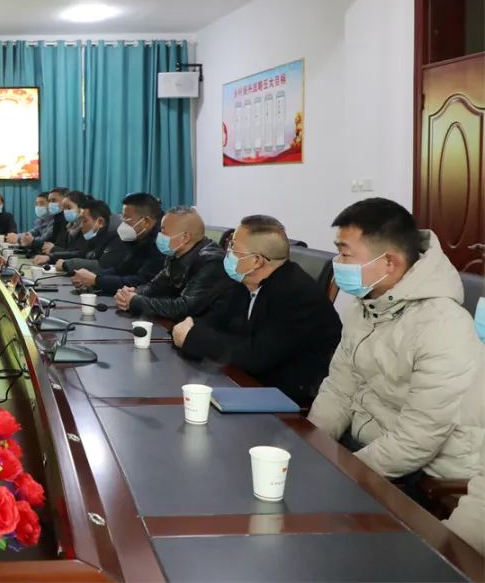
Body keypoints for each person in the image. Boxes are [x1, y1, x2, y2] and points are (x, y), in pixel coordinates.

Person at [308, 198, 483, 480]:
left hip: (425, 471)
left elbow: (418, 439)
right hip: (366, 446)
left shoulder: (442, 326)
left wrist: (341, 472)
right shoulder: (364, 306)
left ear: (389, 262)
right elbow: (339, 389)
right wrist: (310, 447)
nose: (337, 263)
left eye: (345, 254)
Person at [171, 215, 341, 406]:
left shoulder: (296, 294)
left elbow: (256, 356)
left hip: (286, 397)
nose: (227, 253)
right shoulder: (244, 282)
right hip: (246, 381)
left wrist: (192, 336)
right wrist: (191, 329)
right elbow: (217, 322)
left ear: (257, 261)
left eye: (233, 248)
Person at [114, 206, 232, 320]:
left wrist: (136, 301)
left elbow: (184, 307)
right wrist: (131, 293)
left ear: (185, 237)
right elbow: (155, 286)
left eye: (163, 231)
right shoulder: (176, 254)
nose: (159, 235)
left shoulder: (212, 262)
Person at [71, 193, 164, 294]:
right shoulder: (138, 239)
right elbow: (122, 270)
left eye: (127, 219)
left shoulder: (160, 244)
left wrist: (96, 280)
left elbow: (142, 281)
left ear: (146, 221)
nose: (123, 224)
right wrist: (92, 276)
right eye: (122, 218)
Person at [45, 199, 116, 271]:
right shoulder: (95, 237)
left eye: (84, 220)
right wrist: (51, 257)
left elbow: (103, 265)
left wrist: (67, 264)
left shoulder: (115, 239)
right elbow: (81, 254)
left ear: (100, 222)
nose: (81, 226)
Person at [36, 190, 88, 259]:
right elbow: (63, 247)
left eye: (68, 208)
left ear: (81, 209)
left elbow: (80, 254)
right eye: (64, 208)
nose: (65, 211)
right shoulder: (69, 226)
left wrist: (53, 251)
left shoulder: (86, 228)